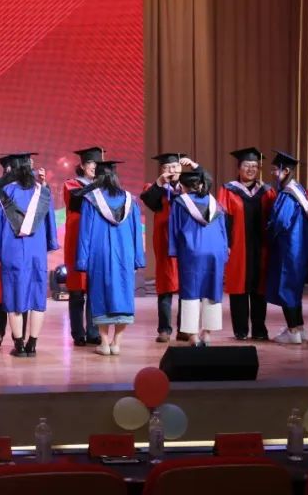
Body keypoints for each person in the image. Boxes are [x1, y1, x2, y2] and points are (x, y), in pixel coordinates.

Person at [0, 152, 58, 358]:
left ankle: (19, 346)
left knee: (13, 294)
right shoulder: (43, 192)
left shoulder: (5, 193)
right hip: (36, 251)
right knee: (37, 295)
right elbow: (50, 224)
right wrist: (49, 243)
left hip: (12, 250)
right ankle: (32, 344)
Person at [75, 161, 146, 356]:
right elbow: (136, 232)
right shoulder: (130, 200)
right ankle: (117, 343)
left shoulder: (90, 200)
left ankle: (104, 343)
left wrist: (82, 260)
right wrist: (138, 258)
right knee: (123, 293)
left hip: (100, 254)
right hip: (125, 253)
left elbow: (85, 234)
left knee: (100, 294)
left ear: (97, 178)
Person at [219, 147, 277, 341]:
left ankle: (260, 329)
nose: (251, 169)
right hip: (237, 246)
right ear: (238, 168)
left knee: (260, 287)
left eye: (254, 166)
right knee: (239, 286)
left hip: (262, 246)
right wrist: (226, 243)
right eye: (247, 165)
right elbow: (223, 219)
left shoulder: (267, 191)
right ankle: (241, 330)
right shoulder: (228, 190)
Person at [140, 152, 197, 343]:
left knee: (185, 285)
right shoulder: (155, 188)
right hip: (164, 242)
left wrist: (195, 167)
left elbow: (206, 186)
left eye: (175, 167)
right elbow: (149, 200)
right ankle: (164, 329)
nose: (172, 170)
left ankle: (185, 328)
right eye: (167, 167)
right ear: (161, 170)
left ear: (181, 168)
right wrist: (159, 182)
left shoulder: (189, 187)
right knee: (165, 285)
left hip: (185, 242)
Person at [169, 167, 229, 346]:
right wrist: (223, 250)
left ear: (182, 186)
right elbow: (223, 229)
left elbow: (175, 228)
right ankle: (207, 334)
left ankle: (193, 336)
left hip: (192, 251)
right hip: (215, 251)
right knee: (213, 289)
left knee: (191, 291)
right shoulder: (214, 202)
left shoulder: (180, 202)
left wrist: (174, 250)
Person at [266, 151, 308, 345]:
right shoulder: (299, 189)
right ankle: (300, 329)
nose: (272, 173)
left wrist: (268, 230)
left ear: (285, 171)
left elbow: (281, 221)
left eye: (275, 170)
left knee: (286, 287)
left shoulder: (287, 194)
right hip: (300, 246)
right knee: (295, 289)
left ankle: (293, 331)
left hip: (288, 247)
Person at [63, 147, 103, 347]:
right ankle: (78, 332)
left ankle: (93, 331)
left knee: (94, 287)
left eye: (97, 164)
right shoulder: (71, 184)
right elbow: (77, 200)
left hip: (96, 238)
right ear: (82, 165)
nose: (94, 167)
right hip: (76, 239)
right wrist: (97, 186)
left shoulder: (103, 187)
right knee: (77, 289)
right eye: (91, 164)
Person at [0, 154, 28, 348]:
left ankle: (17, 335)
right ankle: (0, 332)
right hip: (2, 241)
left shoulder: (30, 189)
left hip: (18, 242)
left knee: (20, 289)